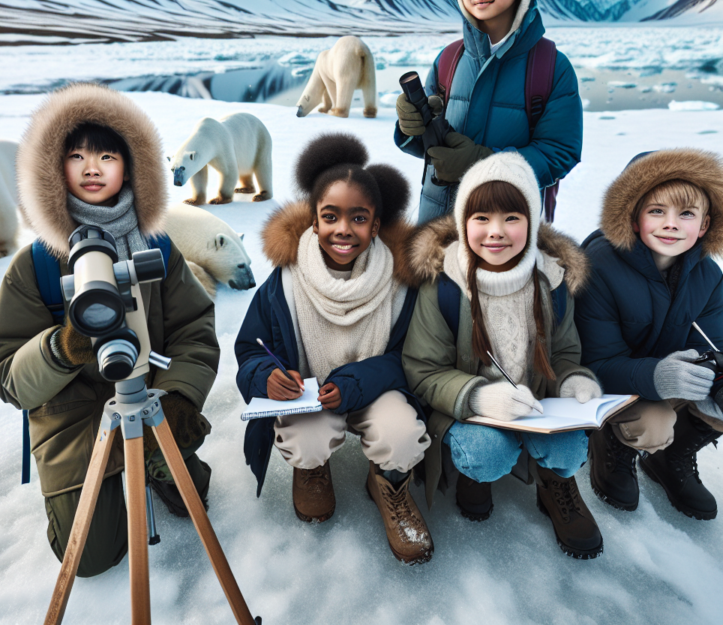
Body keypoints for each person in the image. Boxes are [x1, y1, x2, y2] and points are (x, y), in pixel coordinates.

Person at [0, 84, 219, 577]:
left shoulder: (160, 251)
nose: (93, 168)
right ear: (55, 168)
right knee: (91, 558)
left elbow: (194, 331)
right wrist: (60, 348)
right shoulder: (37, 267)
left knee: (193, 498)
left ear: (131, 167)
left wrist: (178, 397)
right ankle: (102, 484)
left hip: (148, 398)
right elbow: (7, 377)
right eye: (77, 156)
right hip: (72, 420)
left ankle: (159, 463)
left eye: (107, 156)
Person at [235, 133, 433, 564]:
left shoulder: (400, 285)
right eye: (331, 216)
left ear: (376, 225)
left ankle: (388, 482)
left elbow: (413, 360)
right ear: (314, 222)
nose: (344, 229)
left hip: (375, 392)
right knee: (305, 435)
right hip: (311, 398)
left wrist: (357, 383)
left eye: (358, 218)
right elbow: (251, 350)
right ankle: (312, 470)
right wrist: (265, 376)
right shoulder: (284, 284)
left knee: (401, 434)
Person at [402, 152, 604, 559]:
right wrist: (479, 396)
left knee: (568, 449)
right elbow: (423, 370)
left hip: (536, 407)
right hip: (468, 412)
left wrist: (572, 379)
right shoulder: (445, 283)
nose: (496, 232)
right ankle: (475, 474)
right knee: (486, 452)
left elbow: (564, 351)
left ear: (531, 221)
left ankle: (555, 484)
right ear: (463, 222)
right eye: (481, 218)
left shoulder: (552, 278)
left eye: (512, 217)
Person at [394, 0, 583, 222]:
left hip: (507, 234)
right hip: (438, 225)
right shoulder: (449, 59)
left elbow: (560, 151)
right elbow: (429, 148)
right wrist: (410, 126)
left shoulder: (550, 66)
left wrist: (487, 164)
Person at [575, 149, 723, 520]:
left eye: (686, 214)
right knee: (654, 424)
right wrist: (657, 376)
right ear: (634, 216)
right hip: (603, 385)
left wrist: (714, 380)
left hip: (662, 376)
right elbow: (592, 363)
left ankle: (672, 457)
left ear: (704, 225)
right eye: (657, 211)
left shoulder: (708, 275)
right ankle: (612, 445)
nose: (671, 224)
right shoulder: (599, 267)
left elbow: (713, 343)